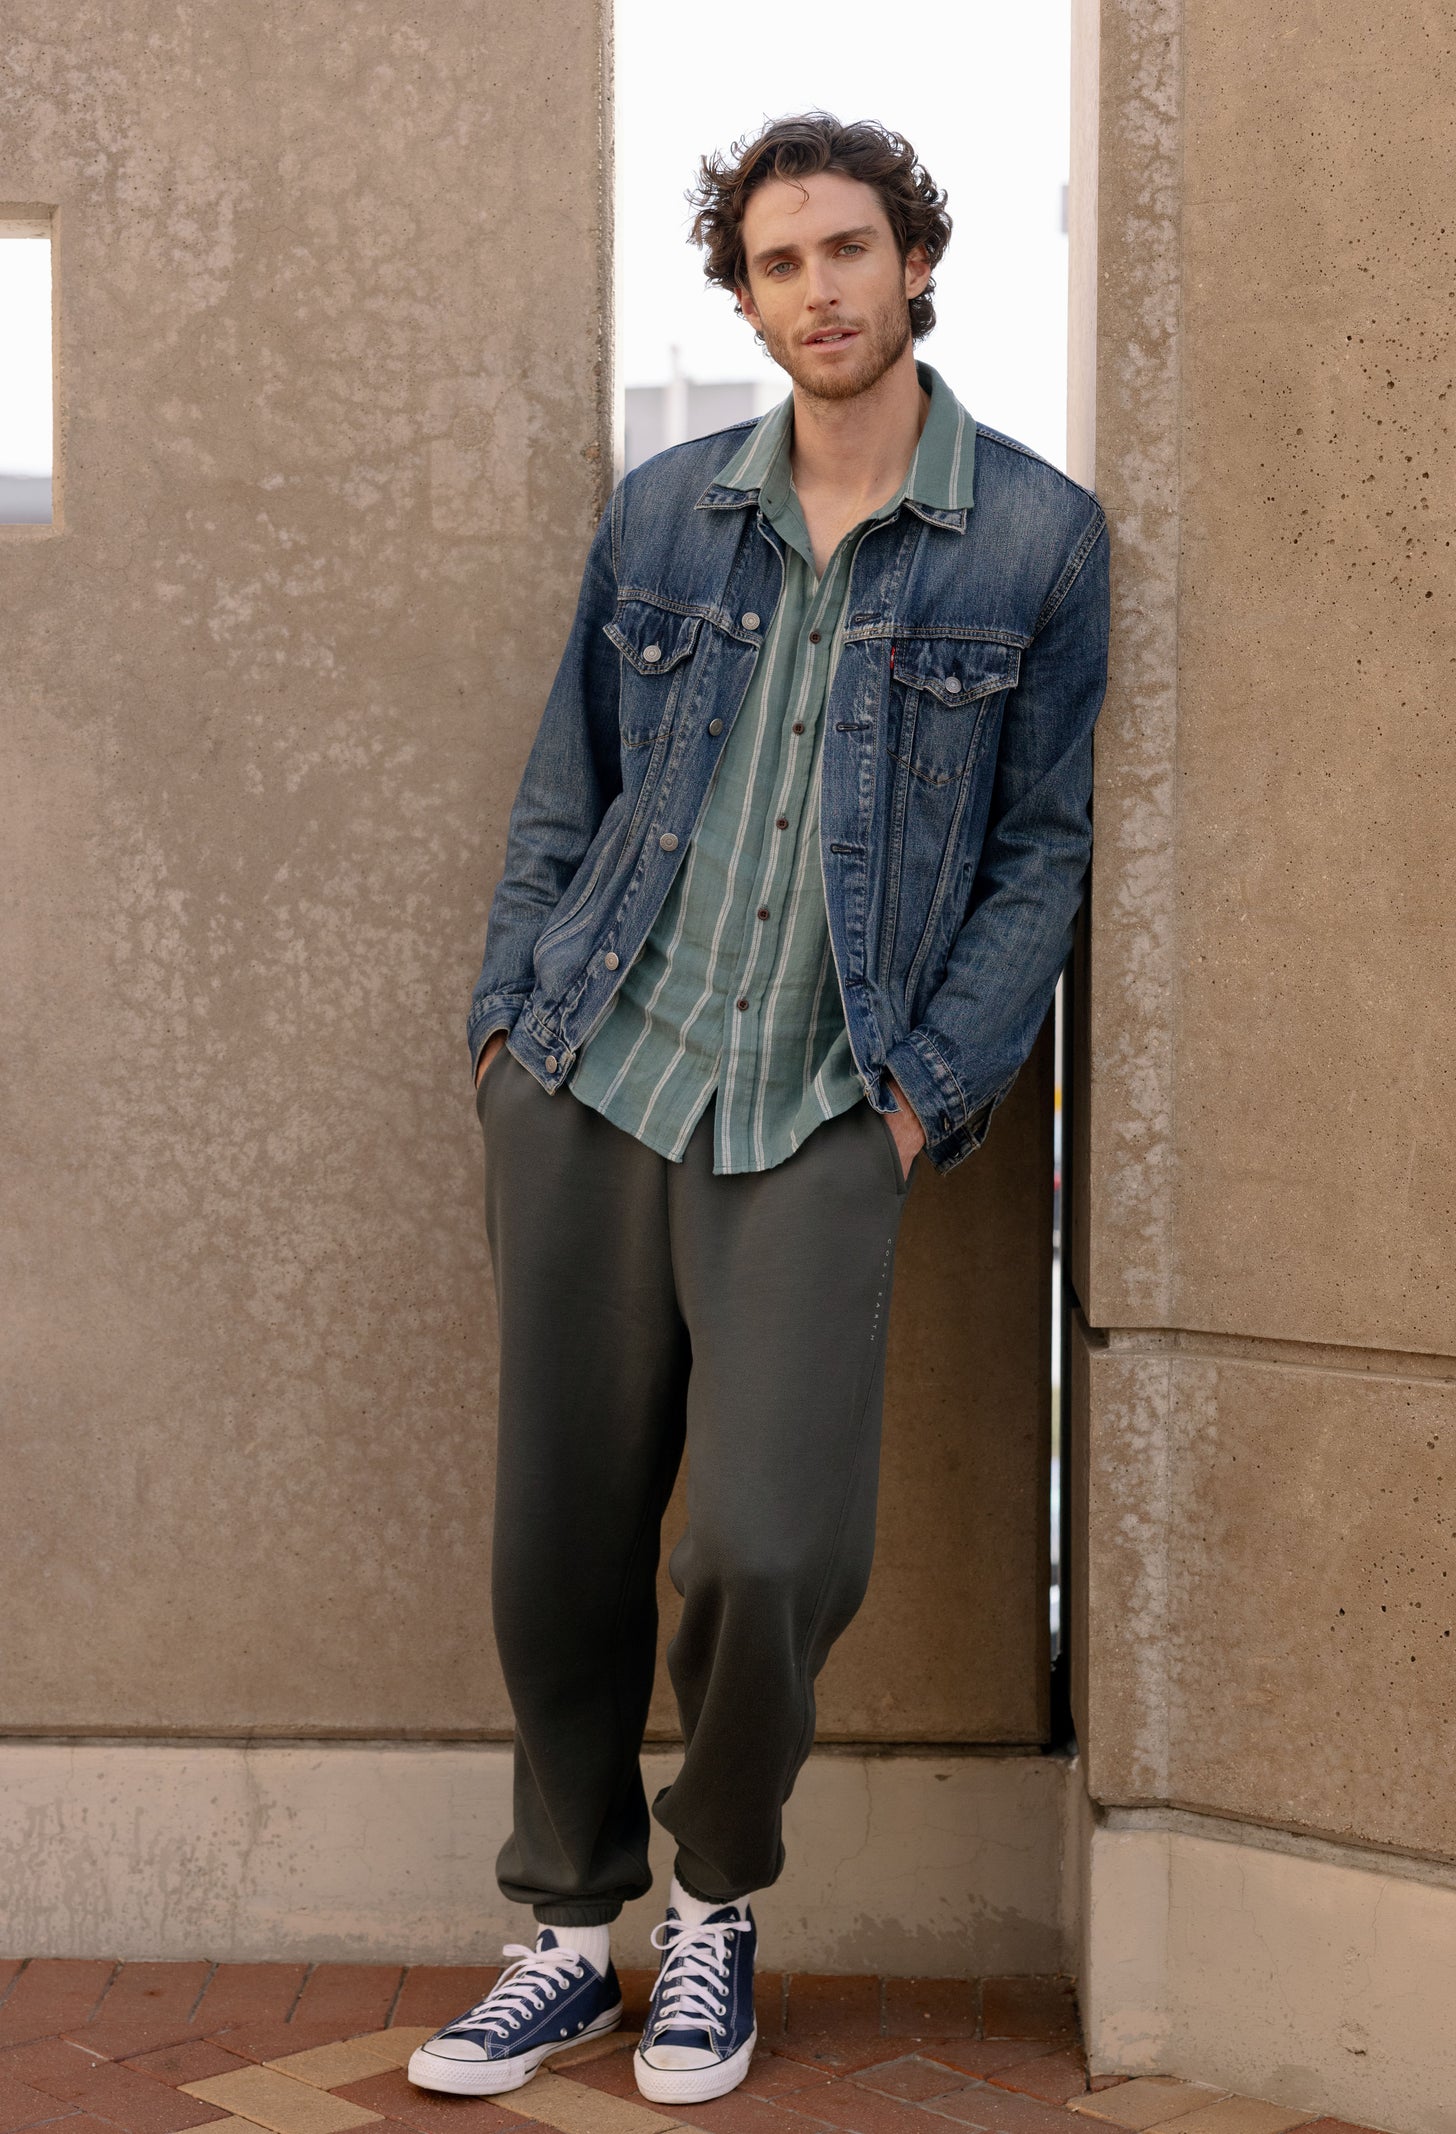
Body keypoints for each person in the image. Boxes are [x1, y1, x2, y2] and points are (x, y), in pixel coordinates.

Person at [407, 111, 1109, 2111]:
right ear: (743, 290)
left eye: (849, 249)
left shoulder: (1036, 539)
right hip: (591, 1068)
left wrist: (917, 1099)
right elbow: (568, 791)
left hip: (821, 1096)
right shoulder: (658, 519)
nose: (818, 286)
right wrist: (498, 1036)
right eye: (779, 259)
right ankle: (563, 1920)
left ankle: (710, 1898)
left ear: (911, 267)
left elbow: (1036, 859)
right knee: (557, 1528)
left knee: (772, 1542)